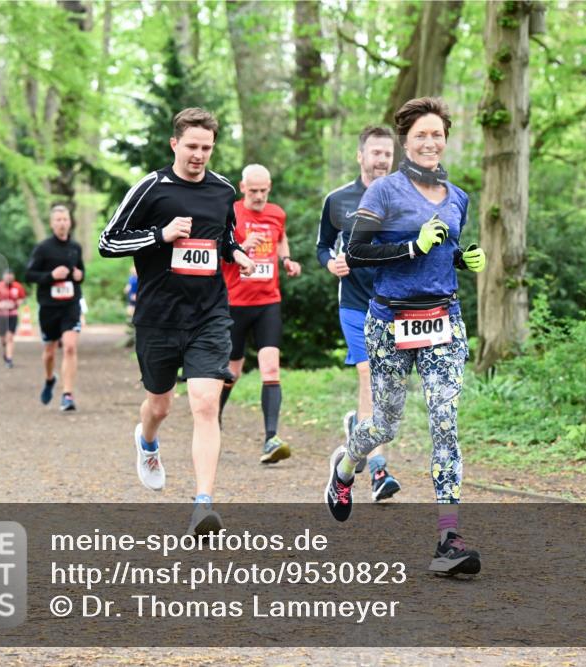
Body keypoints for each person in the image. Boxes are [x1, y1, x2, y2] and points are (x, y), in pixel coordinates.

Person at [324, 97, 488, 576]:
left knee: (445, 422)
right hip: (390, 322)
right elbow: (357, 252)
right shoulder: (384, 192)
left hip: (443, 320)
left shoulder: (457, 196)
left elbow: (443, 251)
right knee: (385, 425)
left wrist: (462, 259)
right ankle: (345, 467)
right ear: (405, 142)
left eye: (437, 134)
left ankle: (449, 539)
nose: (430, 142)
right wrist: (412, 245)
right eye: (421, 135)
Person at [99, 107, 255, 535]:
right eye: (191, 146)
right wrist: (160, 235)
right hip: (159, 318)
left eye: (206, 147)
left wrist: (237, 254)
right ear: (174, 144)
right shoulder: (151, 188)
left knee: (205, 404)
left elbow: (224, 236)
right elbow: (107, 242)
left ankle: (203, 504)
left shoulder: (223, 190)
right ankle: (147, 441)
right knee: (160, 405)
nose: (199, 155)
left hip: (209, 315)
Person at [317, 125, 401, 501]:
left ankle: (358, 425)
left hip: (391, 304)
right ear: (360, 156)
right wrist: (330, 262)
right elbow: (322, 246)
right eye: (376, 153)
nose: (382, 160)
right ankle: (379, 470)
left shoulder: (404, 199)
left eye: (387, 154)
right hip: (353, 304)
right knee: (370, 375)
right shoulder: (338, 200)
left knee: (388, 384)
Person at [218, 164, 302, 465]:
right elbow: (220, 251)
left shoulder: (277, 213)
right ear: (243, 188)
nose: (258, 196)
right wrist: (241, 247)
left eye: (263, 190)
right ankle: (213, 418)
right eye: (253, 190)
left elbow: (281, 238)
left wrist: (287, 259)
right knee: (232, 371)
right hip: (235, 303)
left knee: (271, 368)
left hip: (268, 301)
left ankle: (271, 438)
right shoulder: (230, 213)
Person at [25, 205, 84, 412]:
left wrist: (79, 276)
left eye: (65, 219)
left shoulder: (75, 247)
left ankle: (67, 395)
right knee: (49, 352)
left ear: (70, 222)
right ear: (52, 224)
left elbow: (81, 273)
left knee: (70, 347)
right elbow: (29, 275)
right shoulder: (43, 248)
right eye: (58, 220)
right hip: (49, 307)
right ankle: (50, 378)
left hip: (71, 305)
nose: (62, 223)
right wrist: (51, 276)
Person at [0, 268, 26, 369]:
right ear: (3, 276)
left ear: (13, 277)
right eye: (7, 276)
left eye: (11, 276)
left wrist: (17, 303)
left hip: (13, 314)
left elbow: (23, 298)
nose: (9, 278)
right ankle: (6, 351)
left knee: (10, 337)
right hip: (1, 315)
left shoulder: (18, 286)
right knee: (3, 338)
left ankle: (9, 359)